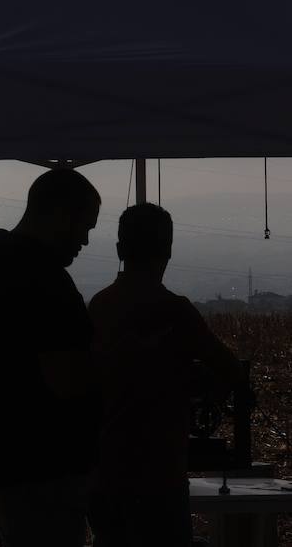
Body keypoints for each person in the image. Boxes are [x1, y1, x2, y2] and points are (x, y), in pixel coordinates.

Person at [87, 203, 242, 546]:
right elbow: (230, 371)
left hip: (106, 472)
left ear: (119, 250)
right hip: (161, 473)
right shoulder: (177, 312)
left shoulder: (99, 307)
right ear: (168, 251)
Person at [0, 168, 101, 546]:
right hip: (45, 466)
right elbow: (67, 379)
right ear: (58, 214)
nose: (85, 241)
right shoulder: (45, 279)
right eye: (84, 226)